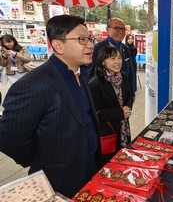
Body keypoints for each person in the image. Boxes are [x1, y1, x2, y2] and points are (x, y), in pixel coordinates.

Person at [0, 15, 99, 198]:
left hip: (90, 168)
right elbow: (10, 139)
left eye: (90, 39)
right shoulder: (33, 84)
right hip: (58, 180)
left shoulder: (81, 74)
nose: (91, 45)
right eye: (81, 40)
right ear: (58, 45)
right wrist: (42, 159)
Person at [89, 46, 133, 167]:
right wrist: (120, 113)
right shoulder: (95, 84)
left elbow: (129, 96)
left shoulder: (122, 76)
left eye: (119, 58)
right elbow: (96, 113)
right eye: (112, 58)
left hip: (124, 127)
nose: (118, 62)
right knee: (110, 165)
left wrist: (128, 107)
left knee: (124, 159)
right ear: (103, 61)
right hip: (108, 132)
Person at [88, 18, 135, 98]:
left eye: (123, 29)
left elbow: (130, 72)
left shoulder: (126, 49)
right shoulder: (97, 48)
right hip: (104, 96)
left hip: (123, 95)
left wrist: (132, 94)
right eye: (117, 28)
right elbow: (90, 73)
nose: (120, 31)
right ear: (107, 29)